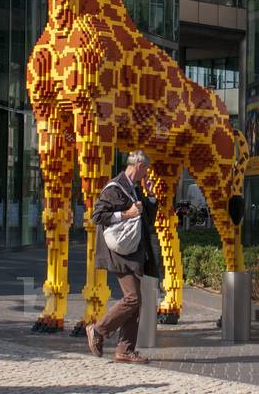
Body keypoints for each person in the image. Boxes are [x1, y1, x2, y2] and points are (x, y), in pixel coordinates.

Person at [86, 150, 159, 364]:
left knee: (136, 302)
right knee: (133, 299)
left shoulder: (134, 189)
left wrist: (151, 196)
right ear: (138, 165)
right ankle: (98, 330)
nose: (147, 173)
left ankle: (124, 350)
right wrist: (126, 213)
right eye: (146, 169)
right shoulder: (115, 187)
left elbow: (146, 220)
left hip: (133, 252)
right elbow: (98, 215)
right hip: (120, 253)